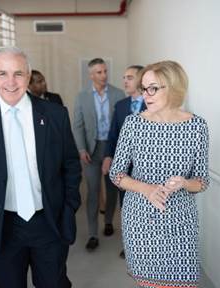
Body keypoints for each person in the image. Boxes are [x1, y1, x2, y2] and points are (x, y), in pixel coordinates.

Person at [0, 46, 81, 288]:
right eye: (3, 73)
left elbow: (71, 165)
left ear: (28, 75)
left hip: (48, 222)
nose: (11, 82)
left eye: (18, 73)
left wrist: (68, 208)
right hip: (2, 227)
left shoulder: (55, 114)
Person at [109, 61, 209, 288]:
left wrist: (184, 182)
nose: (146, 94)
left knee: (183, 281)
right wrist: (149, 189)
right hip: (141, 220)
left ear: (173, 87)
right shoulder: (133, 124)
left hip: (180, 221)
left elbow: (202, 181)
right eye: (144, 88)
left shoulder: (197, 127)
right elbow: (116, 174)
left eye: (153, 88)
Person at [72, 58, 125, 251]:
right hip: (90, 151)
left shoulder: (118, 94)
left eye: (105, 71)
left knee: (112, 189)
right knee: (93, 191)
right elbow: (77, 125)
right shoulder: (82, 96)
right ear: (91, 75)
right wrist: (81, 149)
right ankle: (93, 233)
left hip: (112, 149)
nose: (104, 75)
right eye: (99, 72)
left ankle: (109, 221)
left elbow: (122, 125)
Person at [101, 65, 145, 259]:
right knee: (126, 209)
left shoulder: (152, 105)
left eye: (130, 77)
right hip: (125, 170)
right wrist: (108, 156)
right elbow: (113, 135)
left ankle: (146, 246)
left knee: (144, 210)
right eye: (124, 77)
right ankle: (130, 246)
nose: (125, 81)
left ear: (142, 80)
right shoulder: (120, 106)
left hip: (147, 170)